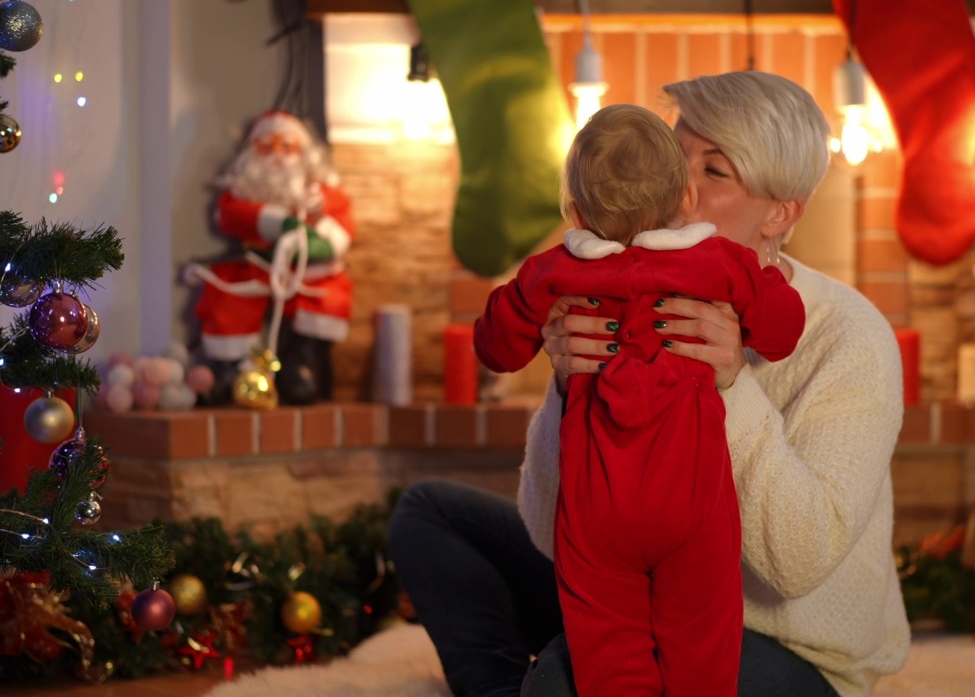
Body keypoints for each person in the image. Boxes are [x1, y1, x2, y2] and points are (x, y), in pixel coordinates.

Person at [389, 71, 910, 697]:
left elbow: (798, 564)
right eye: (672, 152)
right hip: (631, 585)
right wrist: (566, 387)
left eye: (714, 171)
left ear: (780, 213)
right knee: (431, 513)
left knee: (566, 678)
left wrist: (731, 385)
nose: (679, 186)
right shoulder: (616, 287)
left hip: (786, 649)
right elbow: (547, 528)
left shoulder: (849, 336)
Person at [473, 103, 806, 697]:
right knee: (703, 649)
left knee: (609, 653)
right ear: (685, 198)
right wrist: (766, 282)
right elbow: (782, 331)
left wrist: (526, 308)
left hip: (598, 507)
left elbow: (495, 346)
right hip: (691, 503)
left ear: (575, 211)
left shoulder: (554, 272)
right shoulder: (719, 263)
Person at [191, 110, 354, 405]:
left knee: (329, 296)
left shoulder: (322, 193)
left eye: (286, 147)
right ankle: (232, 369)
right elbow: (230, 215)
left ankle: (300, 365)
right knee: (229, 298)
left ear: (304, 154)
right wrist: (278, 223)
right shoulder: (243, 190)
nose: (276, 155)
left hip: (306, 271)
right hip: (256, 264)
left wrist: (322, 244)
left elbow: (343, 226)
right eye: (266, 147)